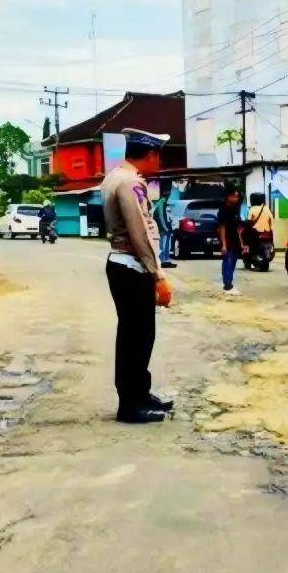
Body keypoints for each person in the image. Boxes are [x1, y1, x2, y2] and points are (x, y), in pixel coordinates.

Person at [101, 128, 175, 424]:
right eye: (158, 156)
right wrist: (158, 275)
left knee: (138, 335)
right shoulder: (131, 182)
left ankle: (139, 394)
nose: (158, 163)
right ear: (151, 154)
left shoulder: (114, 176)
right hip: (132, 266)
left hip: (124, 265)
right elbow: (140, 231)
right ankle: (130, 404)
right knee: (136, 337)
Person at [216, 186, 246, 295]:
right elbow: (222, 228)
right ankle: (227, 282)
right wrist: (223, 244)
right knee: (227, 260)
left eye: (237, 196)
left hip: (235, 238)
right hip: (226, 238)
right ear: (227, 196)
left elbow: (238, 228)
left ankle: (229, 280)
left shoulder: (235, 209)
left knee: (233, 260)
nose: (235, 198)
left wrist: (241, 242)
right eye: (233, 196)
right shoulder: (223, 210)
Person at [153, 194, 177, 269]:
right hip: (163, 227)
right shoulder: (160, 203)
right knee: (163, 244)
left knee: (167, 244)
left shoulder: (164, 204)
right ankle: (162, 260)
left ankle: (166, 259)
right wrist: (164, 226)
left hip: (167, 226)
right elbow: (161, 216)